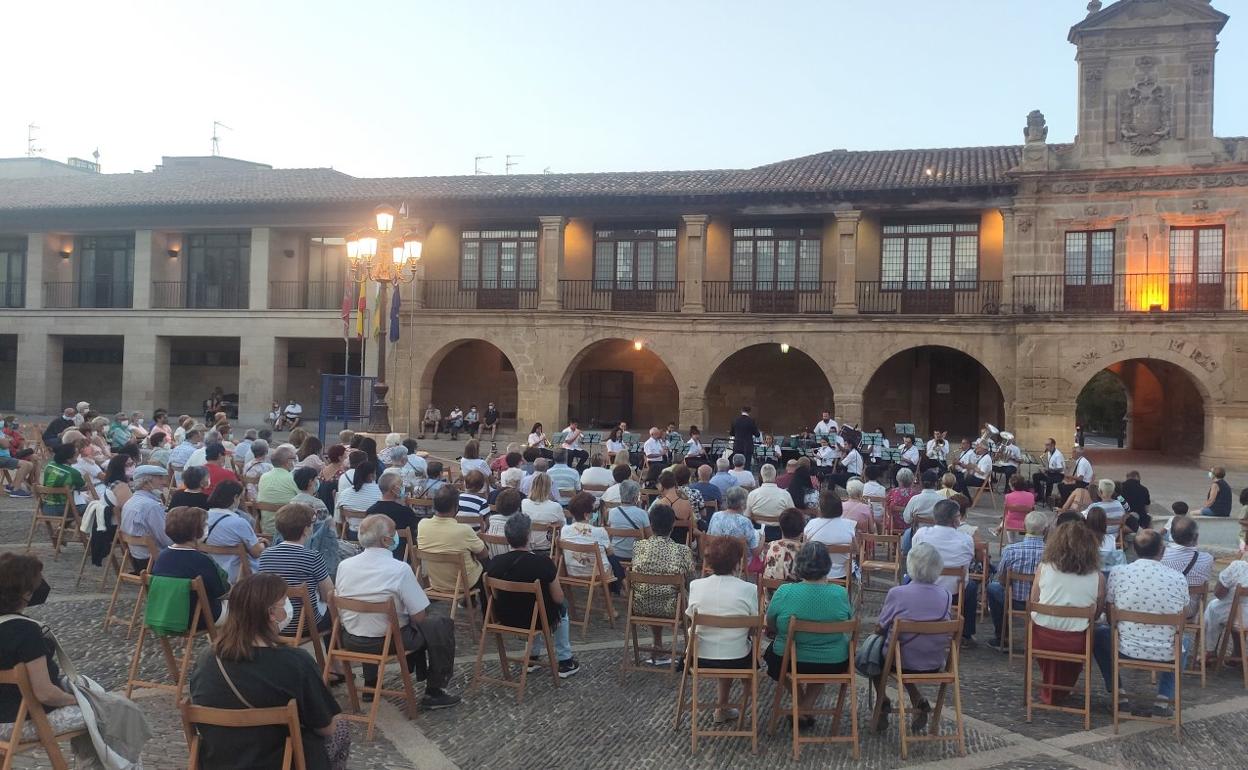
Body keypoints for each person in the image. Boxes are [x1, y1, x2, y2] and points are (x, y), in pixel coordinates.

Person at [190, 572, 349, 769]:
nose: (288, 609)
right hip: (280, 761)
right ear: (271, 614)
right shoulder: (295, 662)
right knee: (340, 727)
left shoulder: (207, 659)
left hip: (219, 760)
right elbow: (326, 727)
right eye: (284, 603)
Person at [335, 515, 460, 707]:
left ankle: (371, 681)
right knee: (440, 624)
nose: (396, 537)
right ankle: (435, 690)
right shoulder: (399, 569)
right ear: (386, 540)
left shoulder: (344, 566)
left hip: (351, 638)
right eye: (394, 533)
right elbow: (419, 616)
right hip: (389, 641)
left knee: (370, 621)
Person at [1100, 529, 1189, 713]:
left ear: (1134, 549)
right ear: (1162, 551)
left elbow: (1110, 617)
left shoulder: (1118, 573)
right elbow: (1182, 621)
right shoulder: (1178, 578)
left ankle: (1119, 693)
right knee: (1185, 640)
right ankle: (1163, 700)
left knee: (1099, 634)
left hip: (1125, 648)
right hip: (1166, 652)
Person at [763, 542, 853, 725]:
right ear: (827, 566)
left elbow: (770, 623)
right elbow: (847, 624)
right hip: (832, 661)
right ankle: (805, 705)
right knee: (824, 655)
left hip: (788, 659)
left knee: (770, 657)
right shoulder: (840, 593)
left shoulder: (785, 591)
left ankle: (802, 705)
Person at [0, 554, 86, 740]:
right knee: (112, 714)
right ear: (27, 594)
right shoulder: (25, 631)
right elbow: (45, 693)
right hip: (15, 723)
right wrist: (77, 702)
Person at [487, 513, 581, 677]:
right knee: (561, 609)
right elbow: (558, 598)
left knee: (535, 605)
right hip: (537, 619)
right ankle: (565, 660)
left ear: (508, 537)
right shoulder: (543, 563)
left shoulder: (495, 562)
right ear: (529, 536)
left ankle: (532, 657)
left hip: (505, 617)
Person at [872, 543, 952, 732]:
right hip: (933, 662)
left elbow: (880, 627)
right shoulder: (946, 595)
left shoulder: (898, 593)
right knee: (903, 651)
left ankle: (882, 700)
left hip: (901, 660)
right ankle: (917, 701)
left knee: (873, 658)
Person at [1028, 520, 1108, 706]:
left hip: (1043, 638)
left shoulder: (1044, 569)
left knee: (1044, 627)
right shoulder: (1098, 577)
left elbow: (1033, 602)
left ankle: (1052, 686)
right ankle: (1062, 687)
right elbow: (1096, 614)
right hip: (1076, 641)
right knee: (1089, 632)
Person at [686, 535, 759, 723]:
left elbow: (691, 620)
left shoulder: (696, 586)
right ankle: (733, 709)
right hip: (736, 658)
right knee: (742, 647)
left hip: (700, 656)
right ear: (737, 562)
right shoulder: (749, 589)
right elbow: (754, 627)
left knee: (725, 641)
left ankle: (722, 708)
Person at [629, 504, 693, 665]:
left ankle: (657, 645)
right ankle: (692, 651)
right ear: (672, 525)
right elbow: (692, 583)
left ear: (651, 524)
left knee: (652, 590)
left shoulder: (638, 547)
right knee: (686, 597)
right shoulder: (682, 550)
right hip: (672, 608)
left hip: (640, 606)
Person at [259, 503, 336, 634]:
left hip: (275, 621)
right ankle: (331, 651)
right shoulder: (312, 557)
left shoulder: (266, 554)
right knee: (336, 612)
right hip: (306, 624)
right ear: (306, 530)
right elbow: (329, 593)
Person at [913, 500, 978, 644]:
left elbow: (913, 556)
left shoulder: (922, 534)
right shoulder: (966, 539)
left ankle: (910, 617)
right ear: (956, 519)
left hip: (924, 587)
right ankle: (966, 633)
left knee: (907, 580)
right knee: (971, 587)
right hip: (954, 592)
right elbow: (969, 560)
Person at [151, 506, 230, 624]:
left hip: (167, 615)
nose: (206, 528)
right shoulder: (201, 560)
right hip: (199, 618)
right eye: (204, 525)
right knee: (247, 607)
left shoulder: (161, 556)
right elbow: (222, 591)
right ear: (196, 531)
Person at [986, 510, 1049, 651]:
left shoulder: (1011, 550)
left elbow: (1001, 579)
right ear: (1045, 530)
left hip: (1014, 600)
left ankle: (1002, 636)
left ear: (1024, 528)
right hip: (1042, 601)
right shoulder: (1051, 552)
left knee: (993, 588)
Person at [203, 481, 265, 583]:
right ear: (235, 498)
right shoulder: (238, 522)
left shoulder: (204, 517)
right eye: (240, 498)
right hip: (239, 574)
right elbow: (256, 552)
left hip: (215, 573)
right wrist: (263, 543)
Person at [120, 464, 173, 571]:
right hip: (154, 560)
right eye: (159, 478)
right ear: (146, 483)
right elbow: (166, 540)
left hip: (137, 558)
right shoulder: (151, 506)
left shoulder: (130, 501)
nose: (164, 482)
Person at [560, 492, 616, 584]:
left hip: (571, 572)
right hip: (597, 574)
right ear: (586, 514)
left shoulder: (565, 530)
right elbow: (611, 553)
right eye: (593, 511)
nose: (594, 514)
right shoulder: (600, 531)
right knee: (612, 559)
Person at [1203, 552, 1248, 659]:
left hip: (1238, 618)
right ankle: (1237, 655)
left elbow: (1219, 593)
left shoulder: (1239, 566)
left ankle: (1210, 651)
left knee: (1213, 608)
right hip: (1242, 618)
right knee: (1236, 611)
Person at [803, 491, 856, 580]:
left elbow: (805, 547)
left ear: (821, 508)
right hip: (843, 573)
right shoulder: (849, 525)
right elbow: (855, 549)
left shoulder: (811, 524)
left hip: (817, 572)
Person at [365, 470, 420, 555]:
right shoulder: (405, 512)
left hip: (378, 553)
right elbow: (415, 533)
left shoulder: (371, 511)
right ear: (395, 489)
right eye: (401, 485)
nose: (403, 488)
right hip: (402, 554)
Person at [707, 485, 760, 557]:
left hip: (715, 559)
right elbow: (755, 552)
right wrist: (762, 539)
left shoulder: (716, 516)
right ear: (742, 504)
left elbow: (709, 538)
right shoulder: (745, 522)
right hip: (736, 563)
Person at [336, 461, 382, 540]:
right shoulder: (380, 491)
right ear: (371, 476)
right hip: (375, 535)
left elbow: (341, 515)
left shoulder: (345, 493)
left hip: (354, 534)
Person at [521, 472, 564, 553]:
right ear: (549, 488)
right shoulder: (555, 506)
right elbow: (563, 526)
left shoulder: (523, 503)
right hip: (548, 547)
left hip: (527, 546)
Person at [762, 508, 806, 582]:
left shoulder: (771, 545)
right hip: (795, 593)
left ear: (781, 527)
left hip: (771, 591)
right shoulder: (805, 550)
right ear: (802, 530)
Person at [40, 442, 86, 513]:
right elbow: (83, 487)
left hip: (46, 508)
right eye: (76, 455)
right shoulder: (72, 472)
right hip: (65, 509)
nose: (78, 456)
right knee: (92, 509)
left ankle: (66, 524)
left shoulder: (49, 466)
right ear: (68, 459)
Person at [1085, 504, 1124, 570]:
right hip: (1107, 572)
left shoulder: (1082, 540)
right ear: (1104, 522)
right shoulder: (1111, 539)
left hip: (1089, 572)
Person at [1032, 438, 1066, 507]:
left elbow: (1060, 468)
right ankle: (1039, 495)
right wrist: (1045, 469)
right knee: (1035, 476)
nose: (1046, 447)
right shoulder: (1049, 453)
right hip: (1051, 472)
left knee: (1049, 480)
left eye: (1048, 445)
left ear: (1053, 445)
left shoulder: (1058, 455)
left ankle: (1047, 497)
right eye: (1045, 445)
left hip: (1058, 475)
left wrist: (1049, 470)